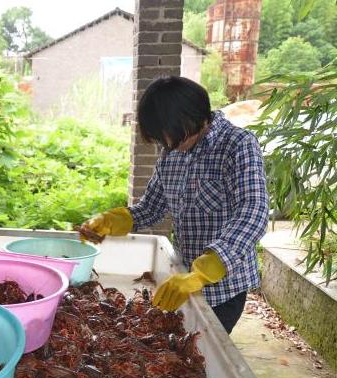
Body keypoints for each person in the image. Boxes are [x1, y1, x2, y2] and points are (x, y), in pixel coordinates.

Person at [83, 76, 268, 334]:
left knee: (204, 348)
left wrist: (204, 271)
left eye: (169, 135)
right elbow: (151, 207)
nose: (167, 144)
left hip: (224, 285)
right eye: (162, 139)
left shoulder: (238, 144)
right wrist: (113, 220)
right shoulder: (171, 152)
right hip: (181, 274)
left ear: (193, 116)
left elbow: (254, 213)